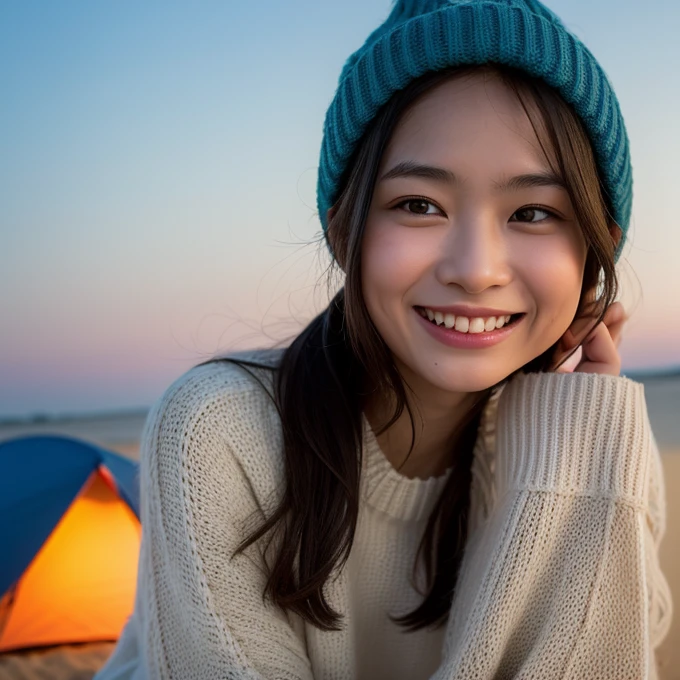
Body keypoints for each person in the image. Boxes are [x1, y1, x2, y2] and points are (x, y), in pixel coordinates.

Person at [96, 0, 673, 678]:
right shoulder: (220, 431)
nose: (476, 269)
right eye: (419, 205)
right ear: (346, 232)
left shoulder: (599, 437)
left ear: (597, 249)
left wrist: (574, 454)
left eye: (534, 212)